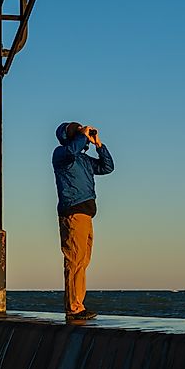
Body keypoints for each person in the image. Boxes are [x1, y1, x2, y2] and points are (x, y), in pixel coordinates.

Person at [52, 122, 114, 320]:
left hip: (86, 215)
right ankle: (73, 308)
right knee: (74, 261)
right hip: (73, 213)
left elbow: (107, 167)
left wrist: (99, 145)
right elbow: (71, 151)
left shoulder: (84, 160)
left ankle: (78, 305)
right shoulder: (61, 154)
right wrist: (82, 136)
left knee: (83, 262)